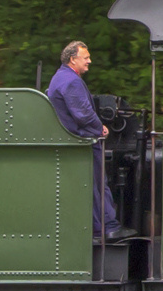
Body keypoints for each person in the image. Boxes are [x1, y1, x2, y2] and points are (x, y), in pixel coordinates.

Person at [46, 41, 126, 240]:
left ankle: (103, 225)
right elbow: (83, 114)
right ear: (73, 59)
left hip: (75, 141)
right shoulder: (71, 81)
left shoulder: (59, 78)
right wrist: (100, 128)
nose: (90, 61)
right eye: (86, 57)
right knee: (99, 184)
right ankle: (108, 226)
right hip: (83, 142)